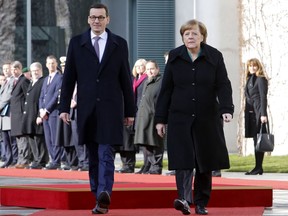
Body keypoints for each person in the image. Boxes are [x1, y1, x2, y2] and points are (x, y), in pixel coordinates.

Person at [58, 3, 135, 215]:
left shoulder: (119, 44)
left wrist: (130, 111)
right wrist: (64, 107)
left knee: (106, 152)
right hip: (87, 109)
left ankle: (104, 192)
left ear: (108, 19)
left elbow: (125, 79)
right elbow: (69, 78)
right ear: (88, 20)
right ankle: (97, 194)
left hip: (111, 108)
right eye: (93, 17)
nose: (96, 21)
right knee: (92, 155)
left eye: (101, 17)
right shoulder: (77, 43)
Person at [154, 19, 234, 215]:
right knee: (182, 159)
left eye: (194, 34)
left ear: (202, 36)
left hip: (207, 117)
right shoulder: (174, 56)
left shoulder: (214, 56)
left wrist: (226, 108)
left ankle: (200, 202)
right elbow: (166, 90)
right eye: (186, 34)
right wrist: (160, 119)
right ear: (182, 37)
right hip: (179, 116)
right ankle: (183, 198)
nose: (190, 37)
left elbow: (223, 84)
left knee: (204, 161)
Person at [115, 58, 147, 174]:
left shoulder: (145, 80)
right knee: (124, 140)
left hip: (136, 113)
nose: (139, 68)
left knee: (129, 141)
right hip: (124, 112)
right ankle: (125, 164)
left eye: (141, 66)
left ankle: (130, 164)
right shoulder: (133, 80)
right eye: (137, 66)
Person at [134, 60, 164, 175]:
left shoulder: (161, 81)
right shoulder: (146, 81)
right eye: (147, 69)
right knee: (145, 142)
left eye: (152, 69)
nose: (149, 71)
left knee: (155, 142)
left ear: (157, 69)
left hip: (155, 117)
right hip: (143, 117)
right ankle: (150, 166)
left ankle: (156, 167)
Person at [22, 62, 49, 169]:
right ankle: (36, 159)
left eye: (37, 70)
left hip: (37, 115)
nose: (35, 72)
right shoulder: (32, 82)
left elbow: (42, 99)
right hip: (29, 115)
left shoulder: (42, 81)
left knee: (39, 139)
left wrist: (39, 115)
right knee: (31, 137)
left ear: (41, 70)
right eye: (33, 71)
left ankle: (42, 160)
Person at [244, 58, 268, 175]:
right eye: (250, 66)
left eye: (254, 66)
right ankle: (258, 167)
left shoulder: (261, 79)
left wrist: (263, 114)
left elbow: (263, 97)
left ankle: (258, 167)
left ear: (258, 67)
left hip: (259, 112)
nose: (252, 68)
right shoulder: (249, 79)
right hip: (250, 113)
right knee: (255, 140)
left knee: (259, 140)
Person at [39, 55, 63, 170]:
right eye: (49, 63)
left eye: (53, 63)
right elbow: (41, 96)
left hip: (53, 112)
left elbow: (56, 96)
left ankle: (56, 161)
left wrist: (47, 109)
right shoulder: (46, 79)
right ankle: (52, 159)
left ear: (56, 64)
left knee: (54, 138)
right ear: (46, 65)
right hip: (44, 114)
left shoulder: (59, 78)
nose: (51, 65)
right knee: (48, 138)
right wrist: (41, 109)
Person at [10, 61, 31, 169]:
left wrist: (25, 114)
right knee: (18, 138)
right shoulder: (15, 81)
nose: (13, 71)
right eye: (12, 69)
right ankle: (20, 159)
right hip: (15, 115)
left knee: (23, 138)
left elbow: (28, 97)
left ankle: (24, 160)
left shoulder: (23, 80)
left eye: (15, 69)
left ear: (20, 69)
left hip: (21, 115)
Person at [0, 62, 18, 168]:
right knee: (5, 138)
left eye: (8, 69)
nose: (6, 71)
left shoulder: (12, 81)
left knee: (12, 138)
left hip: (8, 112)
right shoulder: (4, 82)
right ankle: (8, 158)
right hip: (3, 114)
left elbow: (7, 96)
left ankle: (14, 159)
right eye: (4, 69)